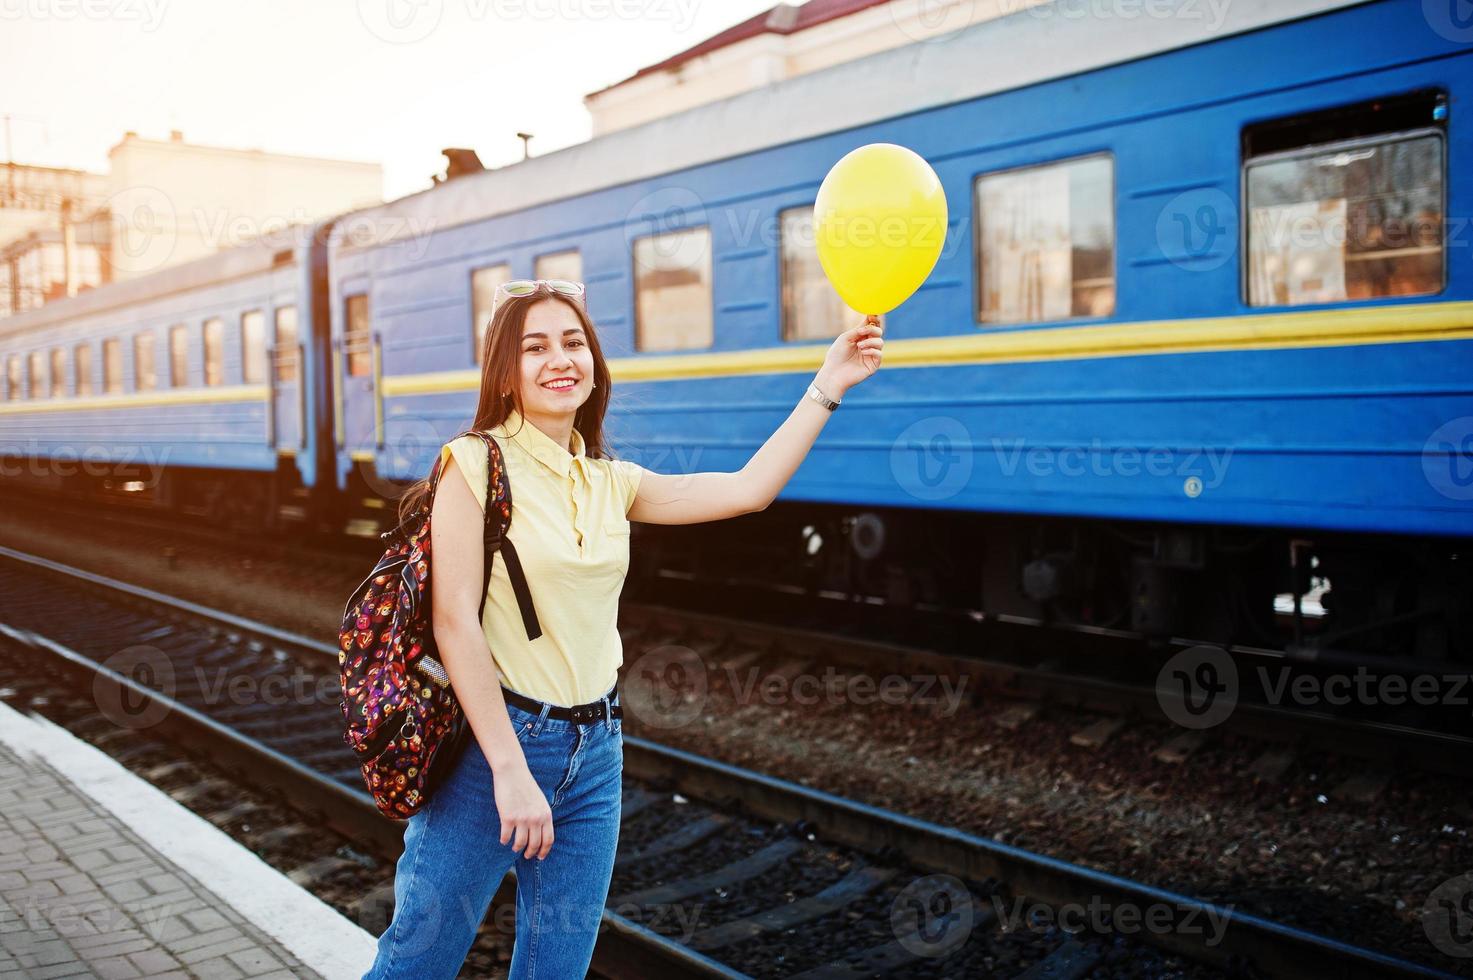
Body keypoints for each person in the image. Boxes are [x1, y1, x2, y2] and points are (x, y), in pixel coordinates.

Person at [363, 278, 885, 978]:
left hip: (595, 750)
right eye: (535, 347)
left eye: (573, 342)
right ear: (506, 373)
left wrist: (831, 381)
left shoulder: (611, 480)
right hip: (495, 750)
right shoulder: (475, 462)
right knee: (418, 962)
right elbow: (455, 622)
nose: (560, 360)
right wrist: (511, 773)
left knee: (557, 969)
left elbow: (748, 489)